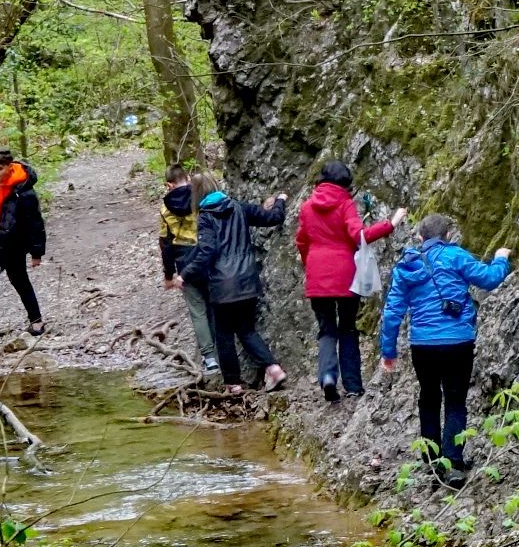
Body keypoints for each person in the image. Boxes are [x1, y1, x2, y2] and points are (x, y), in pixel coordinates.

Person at [378, 216, 510, 482]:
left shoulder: (406, 266)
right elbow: (490, 279)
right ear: (448, 234)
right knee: (455, 400)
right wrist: (501, 257)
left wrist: (389, 352)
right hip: (458, 341)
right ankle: (454, 463)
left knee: (428, 396)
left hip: (423, 344)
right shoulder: (456, 256)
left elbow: (392, 313)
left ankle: (431, 459)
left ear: (419, 238)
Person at [296, 162, 394, 404]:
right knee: (348, 328)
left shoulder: (307, 207)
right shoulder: (344, 203)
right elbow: (360, 235)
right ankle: (352, 385)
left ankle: (328, 376)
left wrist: (312, 263)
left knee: (326, 329)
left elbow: (301, 242)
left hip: (318, 277)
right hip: (346, 276)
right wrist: (390, 224)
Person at [193, 185, 292, 391]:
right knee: (246, 330)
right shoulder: (239, 207)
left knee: (224, 334)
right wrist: (281, 200)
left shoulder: (205, 218)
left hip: (222, 286)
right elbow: (273, 217)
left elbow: (206, 251)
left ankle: (233, 384)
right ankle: (273, 369)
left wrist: (187, 273)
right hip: (247, 280)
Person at [0, 148, 46, 336]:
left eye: (0, 168)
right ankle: (37, 322)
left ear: (10, 166)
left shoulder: (24, 192)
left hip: (14, 242)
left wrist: (36, 253)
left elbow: (36, 222)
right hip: (3, 238)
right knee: (19, 280)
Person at [157, 166, 213, 373]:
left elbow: (166, 244)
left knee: (197, 311)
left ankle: (209, 357)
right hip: (206, 254)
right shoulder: (200, 198)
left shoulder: (165, 209)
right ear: (187, 179)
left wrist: (168, 275)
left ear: (169, 185)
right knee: (213, 305)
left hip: (183, 260)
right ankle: (223, 350)